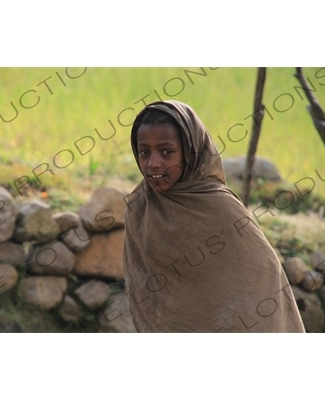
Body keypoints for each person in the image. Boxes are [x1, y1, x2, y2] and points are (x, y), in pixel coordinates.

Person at [123, 100, 305, 333]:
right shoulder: (139, 207)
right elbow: (145, 291)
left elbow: (264, 274)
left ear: (190, 151)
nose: (153, 164)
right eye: (144, 152)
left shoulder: (220, 208)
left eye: (167, 152)